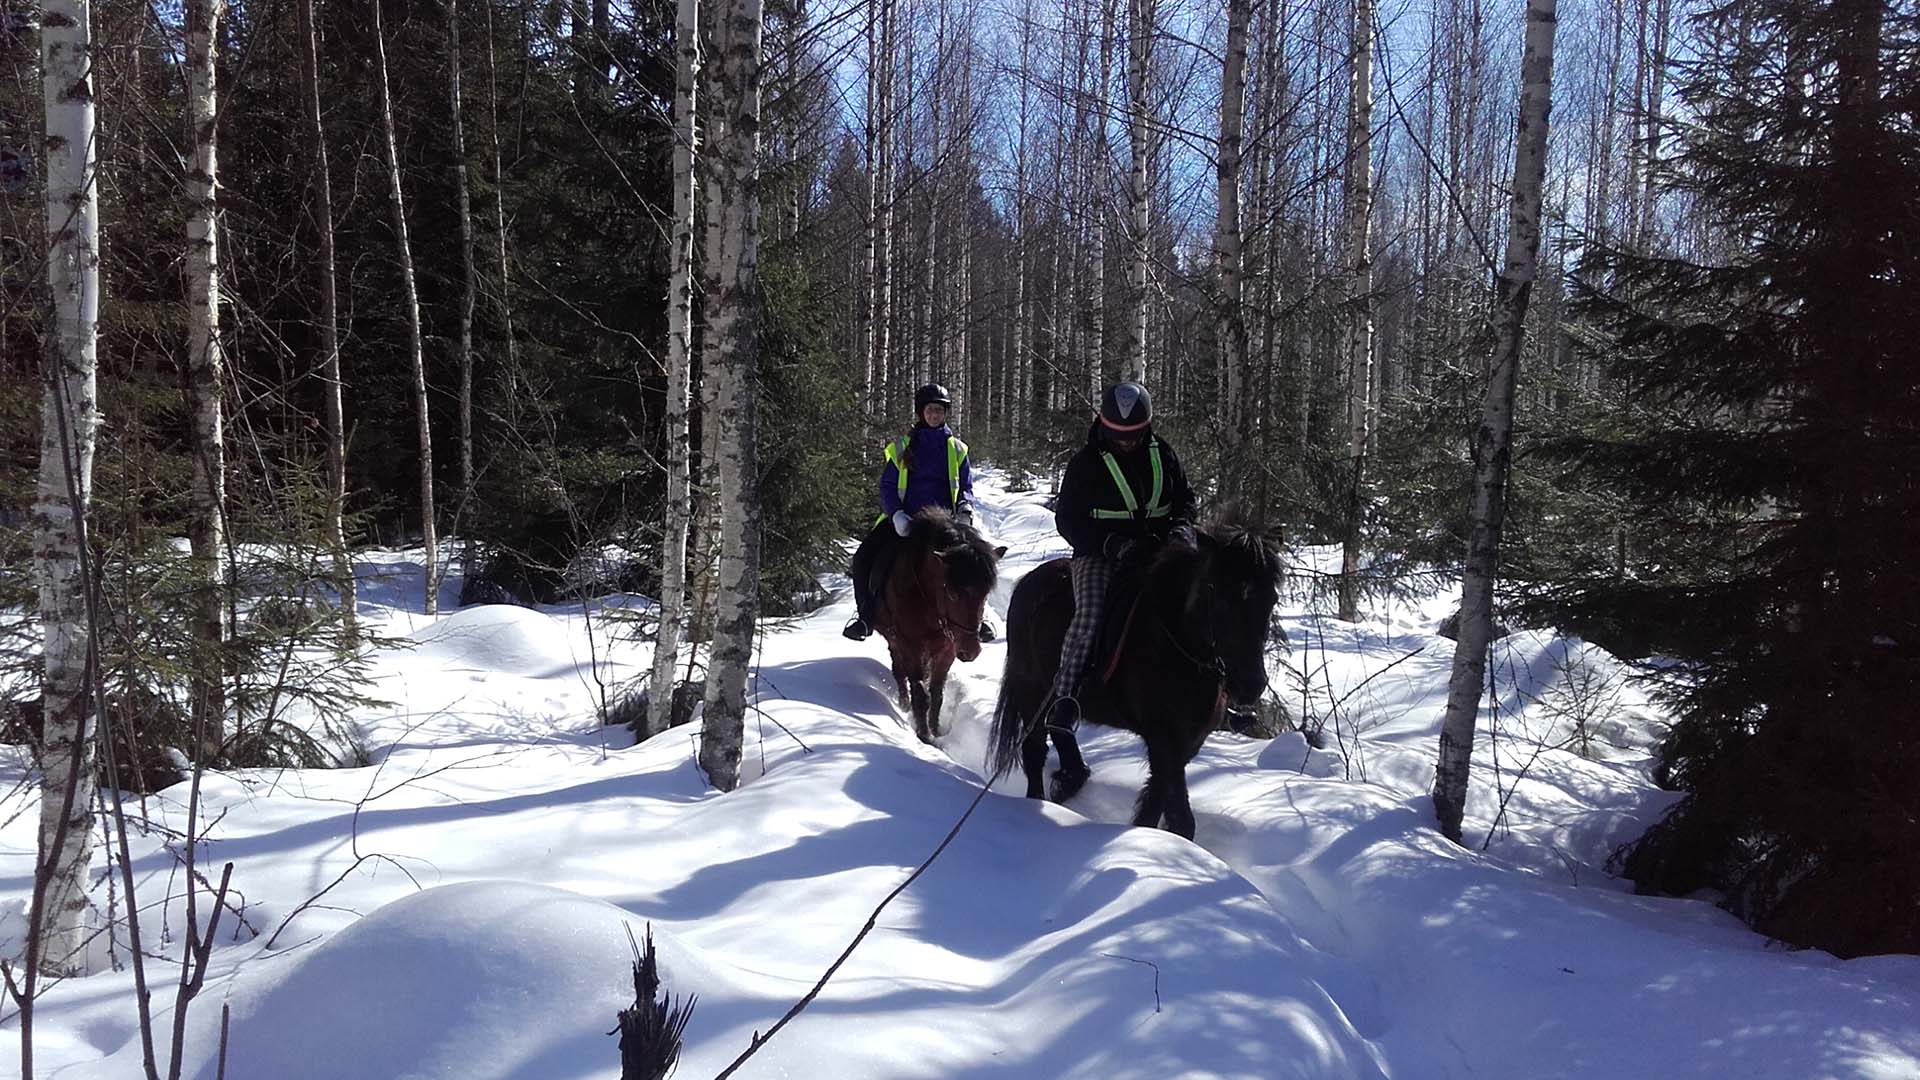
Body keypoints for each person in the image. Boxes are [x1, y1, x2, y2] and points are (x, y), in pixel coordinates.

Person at [1046, 381, 1197, 729]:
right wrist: (1111, 544)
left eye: (1134, 435)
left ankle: (1219, 686)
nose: (1127, 442)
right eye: (1119, 435)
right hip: (1100, 554)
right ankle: (1065, 697)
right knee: (1090, 615)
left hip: (1160, 550)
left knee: (1203, 600)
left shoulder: (1165, 455)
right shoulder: (1085, 463)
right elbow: (1067, 519)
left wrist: (1180, 529)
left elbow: (1185, 501)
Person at [844, 383, 997, 642]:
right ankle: (865, 617)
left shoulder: (957, 449)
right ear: (921, 413)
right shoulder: (902, 447)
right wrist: (896, 514)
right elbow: (888, 485)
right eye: (930, 410)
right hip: (907, 521)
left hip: (945, 524)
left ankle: (980, 619)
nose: (935, 415)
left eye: (939, 410)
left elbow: (965, 486)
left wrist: (965, 507)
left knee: (977, 561)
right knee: (863, 557)